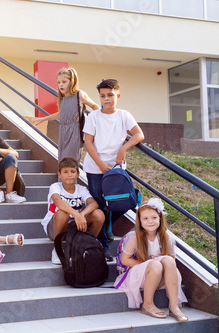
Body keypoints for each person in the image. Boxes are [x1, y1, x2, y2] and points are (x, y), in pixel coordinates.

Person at [83, 79, 145, 260]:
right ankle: (102, 244)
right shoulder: (93, 116)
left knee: (127, 201)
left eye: (110, 95)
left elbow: (139, 134)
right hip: (95, 167)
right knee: (99, 205)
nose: (106, 99)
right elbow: (88, 142)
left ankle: (109, 223)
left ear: (117, 96)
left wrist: (123, 148)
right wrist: (101, 164)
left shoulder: (124, 115)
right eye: (102, 96)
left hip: (117, 168)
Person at [114, 198, 188, 321]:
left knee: (168, 261)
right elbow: (125, 260)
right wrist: (147, 263)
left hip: (160, 276)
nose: (150, 221)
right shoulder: (134, 237)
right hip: (139, 275)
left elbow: (172, 260)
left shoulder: (165, 236)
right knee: (155, 265)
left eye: (154, 217)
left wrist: (158, 259)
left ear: (160, 218)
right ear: (140, 221)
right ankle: (147, 304)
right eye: (145, 218)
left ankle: (174, 306)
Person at [41, 157, 105, 265]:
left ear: (78, 174)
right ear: (59, 174)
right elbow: (57, 201)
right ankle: (57, 249)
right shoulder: (55, 187)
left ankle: (86, 246)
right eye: (65, 172)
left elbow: (94, 203)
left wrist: (82, 214)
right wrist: (76, 214)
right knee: (62, 213)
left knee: (99, 214)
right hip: (55, 227)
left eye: (72, 171)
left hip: (74, 227)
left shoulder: (81, 189)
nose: (69, 175)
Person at [32, 68, 100, 162]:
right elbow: (61, 114)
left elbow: (94, 105)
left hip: (74, 131)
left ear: (72, 81)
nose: (61, 85)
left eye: (64, 82)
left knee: (71, 161)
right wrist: (43, 119)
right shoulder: (63, 98)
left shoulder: (79, 95)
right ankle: (62, 177)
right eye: (59, 82)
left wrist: (101, 119)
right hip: (63, 131)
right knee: (62, 161)